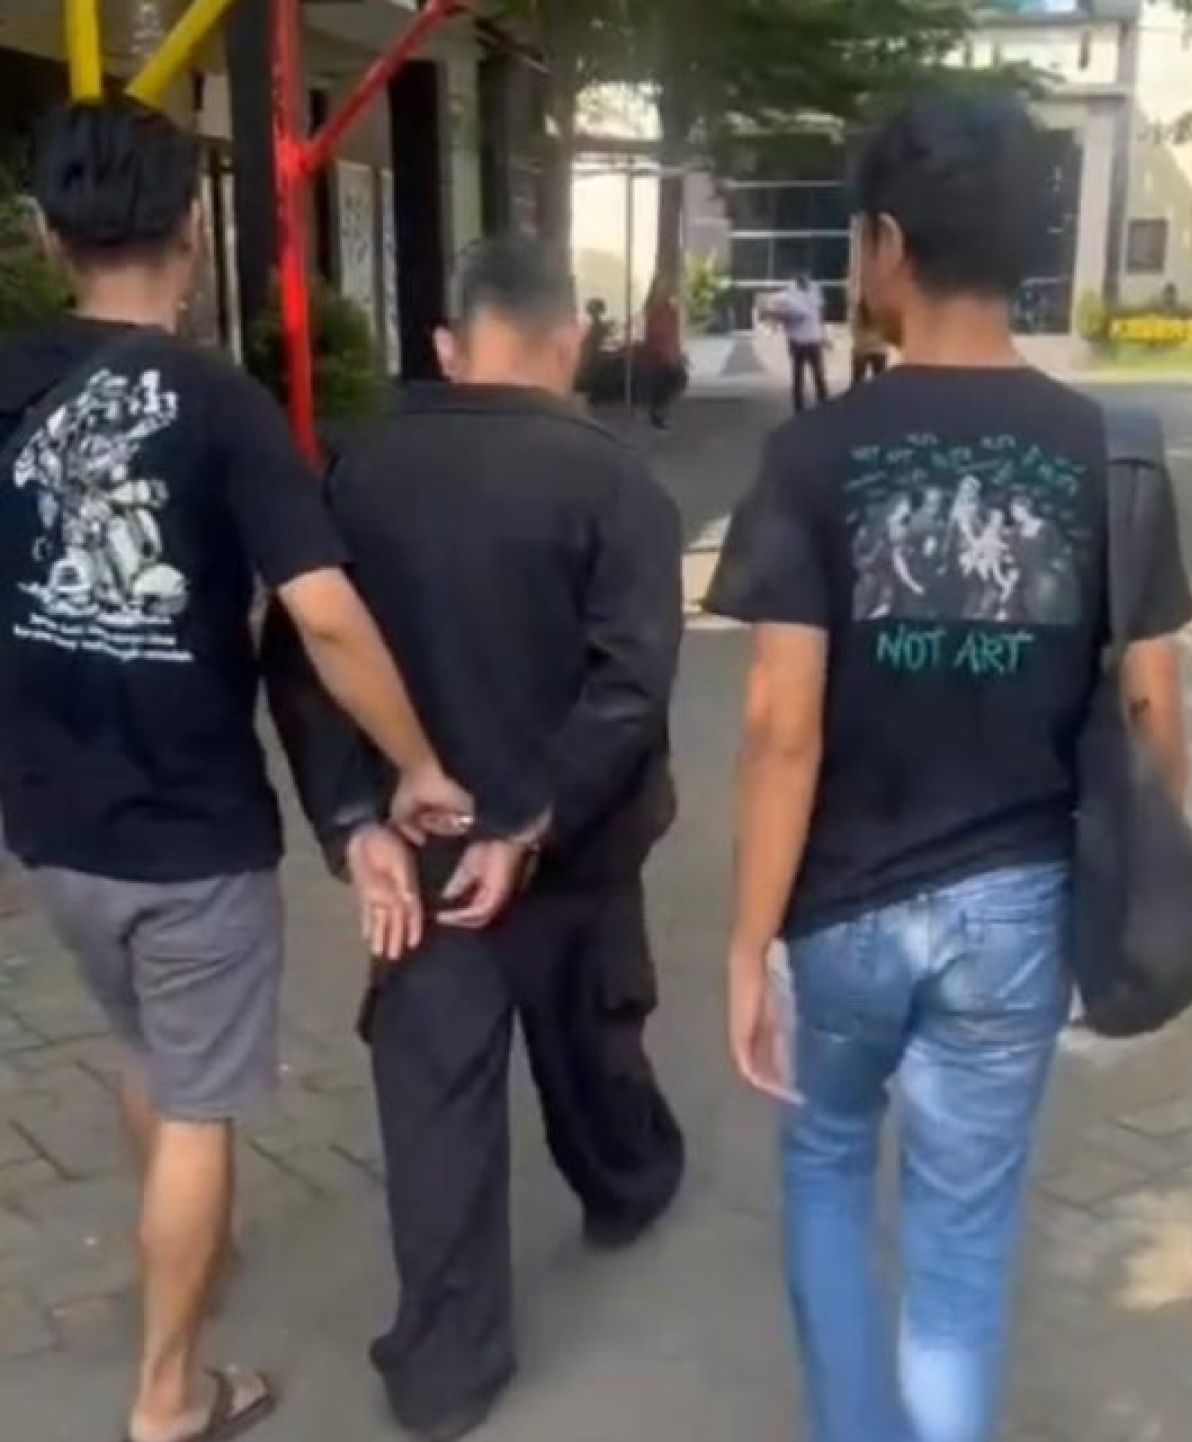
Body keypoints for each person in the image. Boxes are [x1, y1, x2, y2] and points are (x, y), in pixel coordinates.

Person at [705, 93, 1192, 1442]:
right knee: (959, 1255)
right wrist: (1119, 895)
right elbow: (1152, 713)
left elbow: (780, 725)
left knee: (821, 1161)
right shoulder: (1111, 453)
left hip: (840, 911)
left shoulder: (811, 453)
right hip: (1016, 912)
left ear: (883, 244)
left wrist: (746, 944)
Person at [0, 100, 469, 1442]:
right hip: (189, 833)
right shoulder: (220, 405)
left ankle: (185, 1241)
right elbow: (325, 615)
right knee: (200, 1098)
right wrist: (416, 763)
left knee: (148, 1049)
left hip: (49, 819)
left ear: (48, 236)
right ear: (193, 236)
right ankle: (171, 1394)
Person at [264, 235, 686, 1441]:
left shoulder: (356, 470)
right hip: (574, 840)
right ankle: (628, 1184)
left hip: (422, 850)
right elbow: (630, 684)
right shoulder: (615, 482)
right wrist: (536, 817)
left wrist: (354, 820)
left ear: (450, 346)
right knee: (593, 1037)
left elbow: (300, 656)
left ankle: (445, 1371)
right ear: (573, 340)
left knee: (434, 1103)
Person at [768, 274, 829, 413]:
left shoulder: (815, 289)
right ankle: (799, 408)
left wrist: (823, 334)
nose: (805, 280)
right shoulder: (788, 294)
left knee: (819, 374)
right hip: (797, 340)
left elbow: (820, 313)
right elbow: (779, 313)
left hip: (813, 338)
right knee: (798, 376)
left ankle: (824, 404)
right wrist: (782, 318)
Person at [641, 276, 686, 428]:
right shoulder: (657, 309)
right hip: (661, 353)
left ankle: (659, 412)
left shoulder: (667, 309)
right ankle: (658, 412)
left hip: (666, 352)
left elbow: (672, 333)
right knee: (667, 381)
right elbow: (656, 332)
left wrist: (677, 351)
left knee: (672, 381)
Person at [851, 297, 890, 386]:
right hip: (879, 349)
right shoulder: (882, 312)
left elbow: (854, 330)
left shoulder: (858, 313)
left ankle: (859, 394)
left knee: (857, 382)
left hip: (861, 349)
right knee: (879, 381)